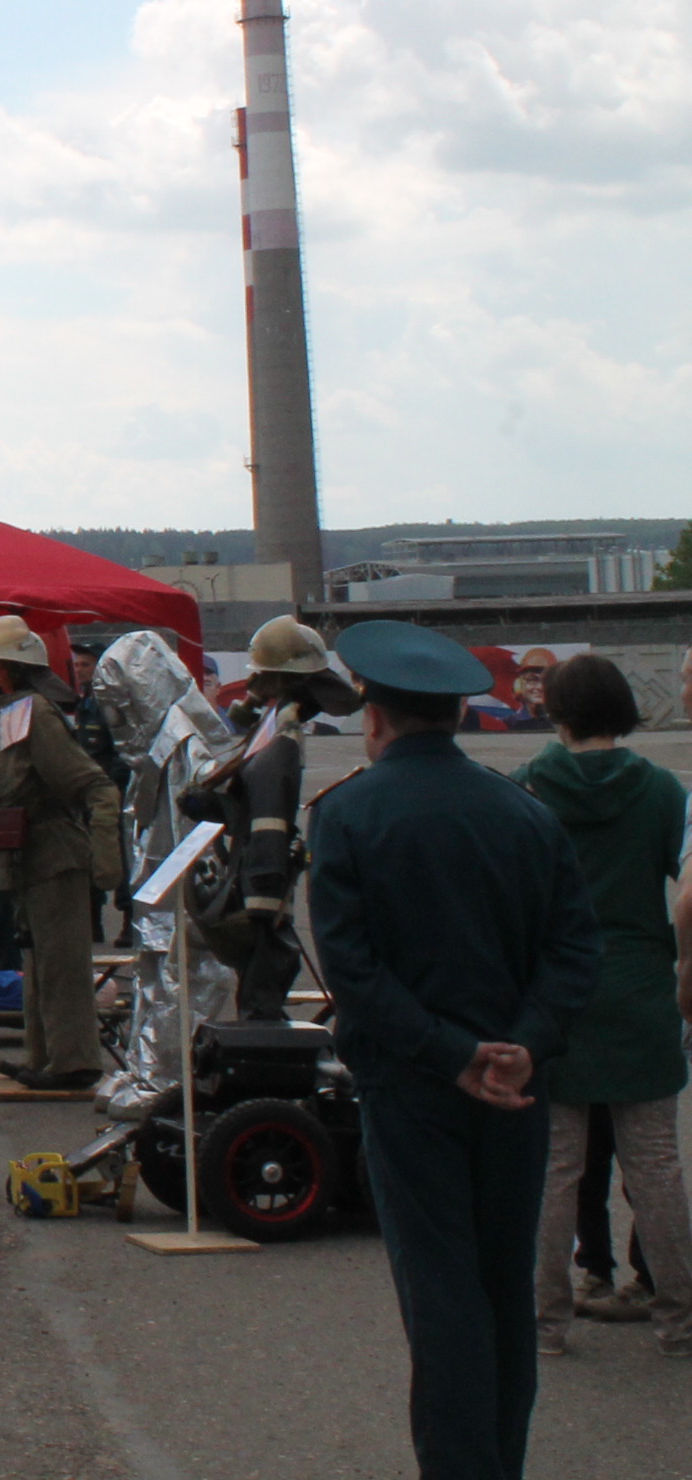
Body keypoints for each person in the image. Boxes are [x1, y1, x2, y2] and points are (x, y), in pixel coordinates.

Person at [309, 619, 602, 1480]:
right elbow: (576, 947)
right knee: (504, 1290)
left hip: (413, 1085)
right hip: (518, 1084)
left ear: (375, 714)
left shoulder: (349, 814)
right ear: (456, 712)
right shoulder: (524, 812)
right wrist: (525, 1046)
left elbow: (352, 970)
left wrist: (448, 1054)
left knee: (440, 1296)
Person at [520, 654, 692, 1356]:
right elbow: (684, 893)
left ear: (558, 711)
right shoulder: (661, 791)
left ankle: (546, 1323)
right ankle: (679, 1317)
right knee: (656, 1166)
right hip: (643, 986)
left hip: (559, 994)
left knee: (557, 1169)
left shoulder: (528, 787)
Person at [0, 616, 115, 1090]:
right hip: (29, 857)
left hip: (54, 856)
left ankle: (73, 1063)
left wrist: (107, 852)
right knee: (37, 962)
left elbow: (91, 783)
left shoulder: (36, 713)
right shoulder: (16, 712)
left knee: (61, 964)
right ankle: (43, 1056)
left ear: (8, 669)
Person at [192, 618, 358, 1021]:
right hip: (259, 872)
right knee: (262, 979)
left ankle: (267, 1062)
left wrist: (262, 896)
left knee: (263, 982)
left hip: (260, 876)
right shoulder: (276, 729)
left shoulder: (280, 737)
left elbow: (268, 812)